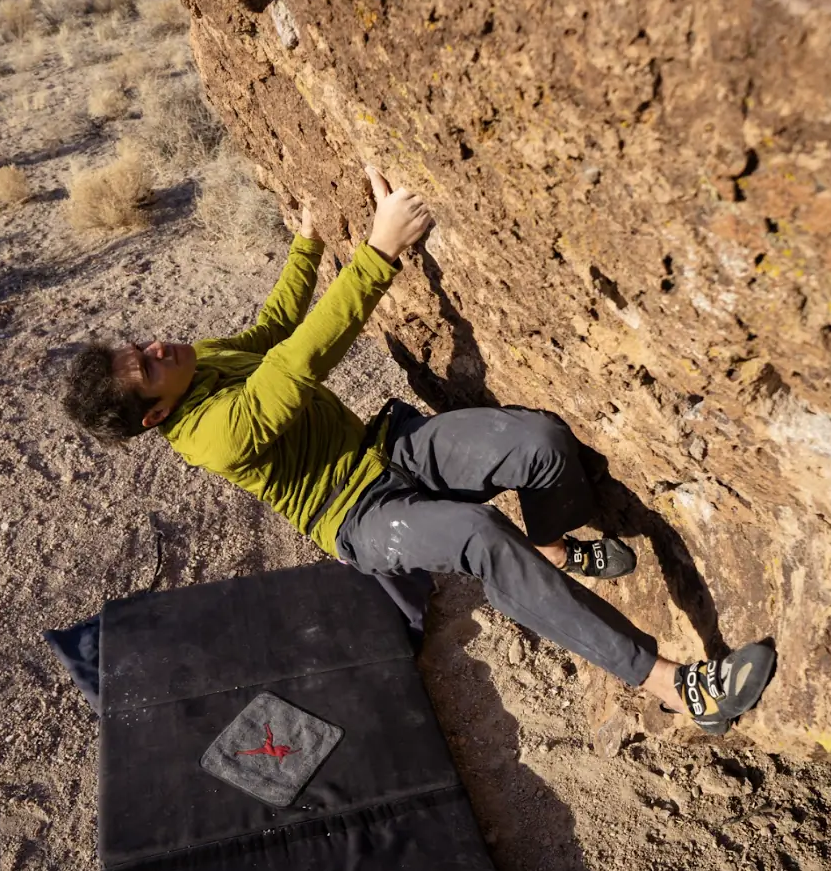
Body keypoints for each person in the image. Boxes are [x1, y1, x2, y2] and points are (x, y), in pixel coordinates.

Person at [62, 165, 774, 733]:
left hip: (387, 450)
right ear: (156, 414)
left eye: (141, 344)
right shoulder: (212, 437)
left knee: (538, 440)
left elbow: (269, 333)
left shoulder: (198, 363)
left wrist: (307, 244)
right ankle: (675, 686)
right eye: (147, 365)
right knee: (479, 533)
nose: (158, 346)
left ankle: (552, 550)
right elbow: (294, 365)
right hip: (356, 516)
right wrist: (379, 252)